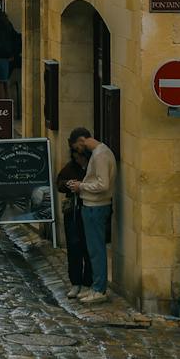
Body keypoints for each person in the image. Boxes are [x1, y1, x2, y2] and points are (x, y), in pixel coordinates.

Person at [64, 127, 116, 304]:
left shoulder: (100, 155)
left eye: (76, 148)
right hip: (94, 206)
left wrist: (81, 187)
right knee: (94, 249)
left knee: (96, 249)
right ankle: (96, 286)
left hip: (96, 206)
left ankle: (99, 289)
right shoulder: (100, 153)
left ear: (81, 141)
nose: (77, 152)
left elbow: (103, 184)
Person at [55, 153, 93, 291]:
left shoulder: (92, 166)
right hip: (73, 213)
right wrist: (68, 184)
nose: (78, 159)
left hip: (90, 209)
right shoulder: (71, 167)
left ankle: (89, 282)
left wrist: (81, 186)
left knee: (89, 247)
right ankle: (76, 282)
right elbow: (59, 182)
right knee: (74, 246)